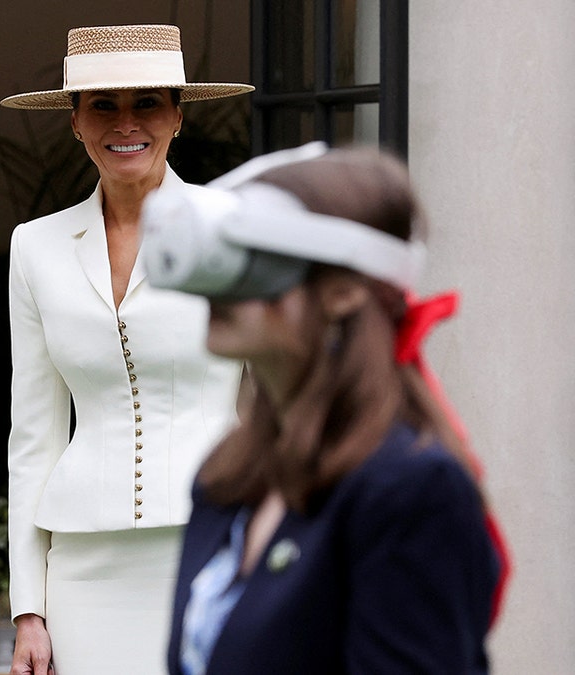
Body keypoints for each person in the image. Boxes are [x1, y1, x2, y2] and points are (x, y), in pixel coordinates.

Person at [141, 143, 505, 673]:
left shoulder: (412, 491)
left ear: (343, 292)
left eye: (260, 260)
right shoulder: (226, 481)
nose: (222, 287)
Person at [0, 24, 253, 675]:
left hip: (214, 543)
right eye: (103, 105)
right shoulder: (35, 247)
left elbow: (278, 408)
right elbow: (34, 436)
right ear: (76, 121)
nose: (125, 122)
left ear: (177, 115)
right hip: (84, 569)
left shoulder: (234, 229)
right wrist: (29, 608)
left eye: (147, 102)